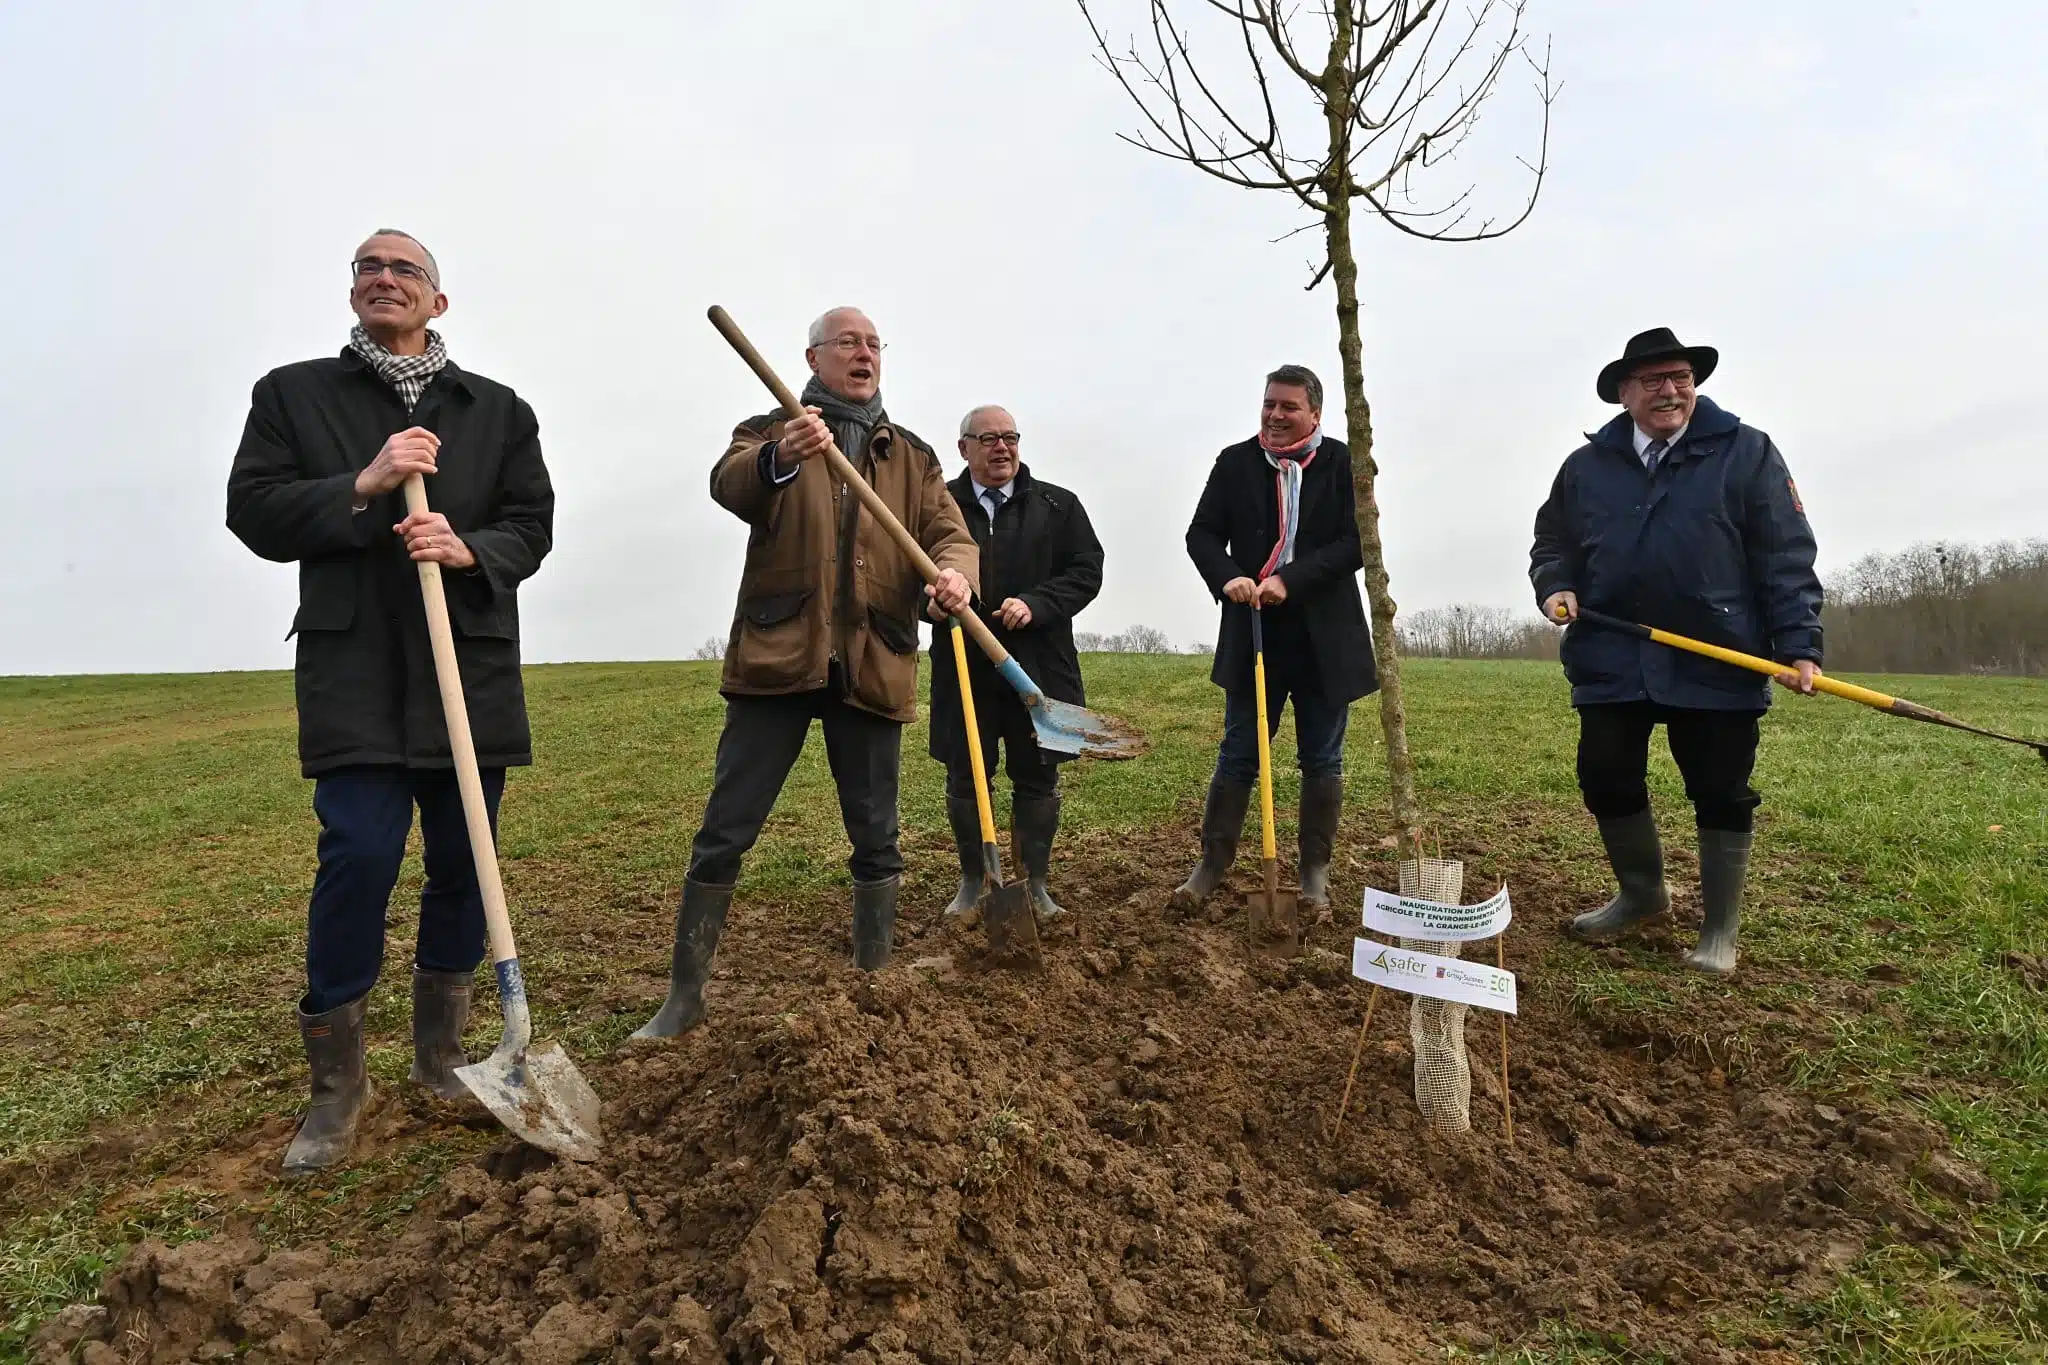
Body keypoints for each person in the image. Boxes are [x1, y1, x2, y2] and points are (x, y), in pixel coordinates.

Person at [226, 229, 555, 1175]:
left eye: (404, 268)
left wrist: (469, 549)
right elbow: (254, 511)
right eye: (367, 267)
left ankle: (442, 1058)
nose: (383, 278)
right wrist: (362, 485)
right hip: (356, 675)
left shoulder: (497, 409)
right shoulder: (293, 395)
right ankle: (337, 1086)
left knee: (464, 862)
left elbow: (532, 525)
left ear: (437, 301)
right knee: (359, 856)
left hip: (466, 673)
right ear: (352, 294)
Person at [635, 307, 976, 1038]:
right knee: (725, 829)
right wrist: (781, 455)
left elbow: (950, 532)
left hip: (872, 659)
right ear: (813, 357)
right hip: (778, 656)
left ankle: (873, 987)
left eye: (874, 343)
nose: (864, 353)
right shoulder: (768, 428)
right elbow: (731, 485)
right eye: (848, 342)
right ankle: (684, 998)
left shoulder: (912, 457)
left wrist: (955, 573)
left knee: (877, 835)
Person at [1531, 326, 1822, 974]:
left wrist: (1800, 643)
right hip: (1613, 652)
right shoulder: (1586, 468)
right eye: (1654, 380)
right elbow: (1552, 542)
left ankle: (1719, 930)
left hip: (1718, 655)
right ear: (1625, 393)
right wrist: (1556, 586)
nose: (1671, 390)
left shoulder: (1747, 453)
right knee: (1605, 773)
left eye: (1681, 378)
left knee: (1720, 789)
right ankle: (1643, 895)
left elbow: (1784, 554)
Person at [1174, 365, 1378, 920]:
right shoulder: (1235, 463)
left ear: (1315, 413)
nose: (1275, 415)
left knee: (1322, 757)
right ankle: (1210, 866)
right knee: (1240, 751)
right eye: (1269, 404)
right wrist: (1229, 577)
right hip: (1254, 630)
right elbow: (1201, 534)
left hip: (1325, 638)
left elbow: (1359, 542)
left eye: (1289, 406)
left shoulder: (1345, 464)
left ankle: (1313, 875)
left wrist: (1292, 579)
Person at [926, 405, 1104, 921]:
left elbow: (1087, 571)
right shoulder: (939, 508)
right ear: (964, 448)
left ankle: (1034, 884)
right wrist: (929, 604)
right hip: (964, 666)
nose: (1002, 447)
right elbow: (906, 572)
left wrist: (1037, 604)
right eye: (988, 439)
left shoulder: (1057, 505)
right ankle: (974, 881)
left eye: (1010, 437)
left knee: (1038, 776)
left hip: (1039, 667)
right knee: (967, 775)